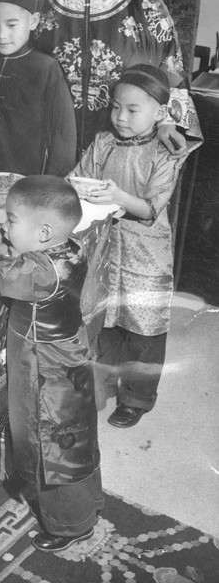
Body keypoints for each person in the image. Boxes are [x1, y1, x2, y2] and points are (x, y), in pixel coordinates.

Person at [0, 176, 102, 552]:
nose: (5, 225)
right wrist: (12, 238)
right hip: (71, 353)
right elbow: (30, 260)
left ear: (43, 232)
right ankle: (88, 504)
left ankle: (69, 525)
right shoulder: (72, 245)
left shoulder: (39, 272)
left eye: (11, 220)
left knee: (50, 445)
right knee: (75, 437)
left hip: (44, 363)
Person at [69, 64, 201, 428]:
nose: (120, 118)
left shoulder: (165, 153)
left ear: (159, 114)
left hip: (146, 253)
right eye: (115, 107)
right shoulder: (104, 143)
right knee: (107, 320)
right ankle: (105, 384)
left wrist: (117, 196)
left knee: (143, 327)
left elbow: (150, 208)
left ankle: (137, 398)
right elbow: (79, 177)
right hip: (106, 247)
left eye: (132, 110)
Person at [30, 0, 202, 159]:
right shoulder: (38, 3)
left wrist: (169, 122)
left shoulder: (145, 3)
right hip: (48, 148)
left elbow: (173, 73)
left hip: (124, 152)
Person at [0, 0, 76, 175]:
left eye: (12, 25)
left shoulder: (47, 69)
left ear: (33, 21)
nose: (1, 34)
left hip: (27, 183)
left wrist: (49, 187)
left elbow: (63, 137)